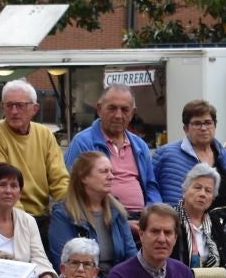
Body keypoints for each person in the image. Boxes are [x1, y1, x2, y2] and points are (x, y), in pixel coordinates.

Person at [0, 80, 71, 218]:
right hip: (10, 216)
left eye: (20, 105)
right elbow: (4, 187)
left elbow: (59, 179)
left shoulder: (44, 134)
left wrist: (72, 207)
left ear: (35, 108)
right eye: (9, 105)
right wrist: (24, 222)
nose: (14, 111)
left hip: (43, 214)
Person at [63, 86, 159, 215]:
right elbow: (72, 188)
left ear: (132, 113)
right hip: (103, 217)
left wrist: (151, 216)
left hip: (142, 219)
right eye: (112, 108)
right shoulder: (83, 142)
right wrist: (118, 221)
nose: (118, 115)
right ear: (99, 109)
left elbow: (151, 187)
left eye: (125, 109)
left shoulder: (140, 146)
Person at [153, 98, 226, 209]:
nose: (203, 128)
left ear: (215, 126)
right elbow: (150, 189)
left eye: (208, 123)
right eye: (197, 123)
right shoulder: (165, 155)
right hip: (183, 224)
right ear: (186, 129)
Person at [48, 151, 137, 275]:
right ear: (84, 177)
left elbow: (131, 256)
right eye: (104, 171)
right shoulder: (63, 214)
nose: (111, 176)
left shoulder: (117, 209)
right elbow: (65, 264)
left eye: (111, 171)